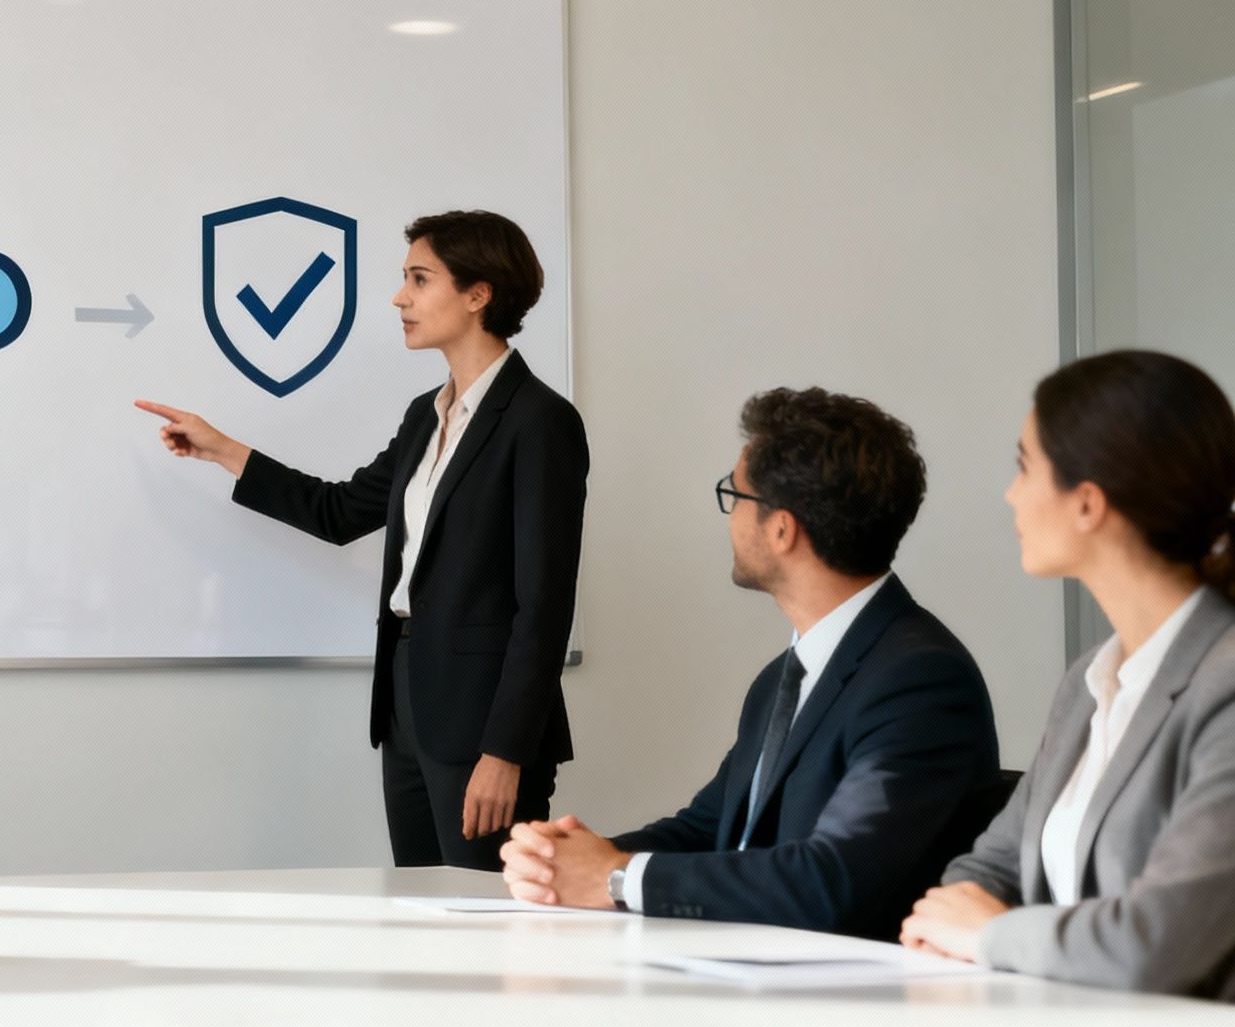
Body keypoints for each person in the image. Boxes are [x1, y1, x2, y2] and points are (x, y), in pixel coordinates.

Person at [137, 210, 587, 871]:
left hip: (483, 720)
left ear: (478, 293)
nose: (400, 297)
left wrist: (505, 752)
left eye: (419, 279)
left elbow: (543, 607)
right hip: (406, 702)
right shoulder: (425, 415)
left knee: (485, 917)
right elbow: (340, 511)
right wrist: (224, 449)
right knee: (418, 906)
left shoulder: (540, 420)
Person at [500, 387, 1001, 940]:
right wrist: (566, 860)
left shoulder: (921, 680)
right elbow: (710, 827)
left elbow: (833, 879)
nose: (729, 516)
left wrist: (615, 877)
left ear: (782, 529)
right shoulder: (781, 678)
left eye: (734, 495)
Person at [902, 350, 1235, 999]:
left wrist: (989, 936)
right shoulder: (1090, 678)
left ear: (1087, 503)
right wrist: (959, 919)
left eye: (1025, 466)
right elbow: (986, 869)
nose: (1010, 493)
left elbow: (1156, 945)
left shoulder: (1224, 683)